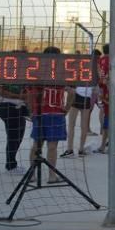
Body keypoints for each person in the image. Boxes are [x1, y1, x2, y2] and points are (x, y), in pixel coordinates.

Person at [27, 46, 69, 183]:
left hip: (40, 112)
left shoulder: (37, 72)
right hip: (56, 113)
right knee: (52, 146)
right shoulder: (62, 73)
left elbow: (29, 94)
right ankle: (52, 175)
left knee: (36, 144)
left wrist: (31, 111)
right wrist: (66, 109)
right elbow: (73, 93)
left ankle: (32, 174)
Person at [0, 77, 28, 172]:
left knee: (18, 136)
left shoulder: (24, 75)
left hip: (20, 107)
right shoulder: (5, 74)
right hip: (8, 106)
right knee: (13, 137)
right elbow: (1, 92)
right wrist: (19, 96)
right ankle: (11, 165)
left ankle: (11, 162)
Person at [62, 81, 93, 157]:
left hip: (77, 95)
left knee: (72, 125)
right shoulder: (93, 71)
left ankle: (70, 150)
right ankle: (81, 150)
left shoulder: (79, 70)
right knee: (83, 126)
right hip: (86, 97)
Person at [96, 44, 111, 153]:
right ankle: (104, 144)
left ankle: (105, 140)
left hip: (101, 89)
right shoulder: (112, 61)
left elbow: (98, 75)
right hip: (109, 90)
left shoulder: (99, 61)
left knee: (104, 113)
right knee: (109, 117)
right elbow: (109, 76)